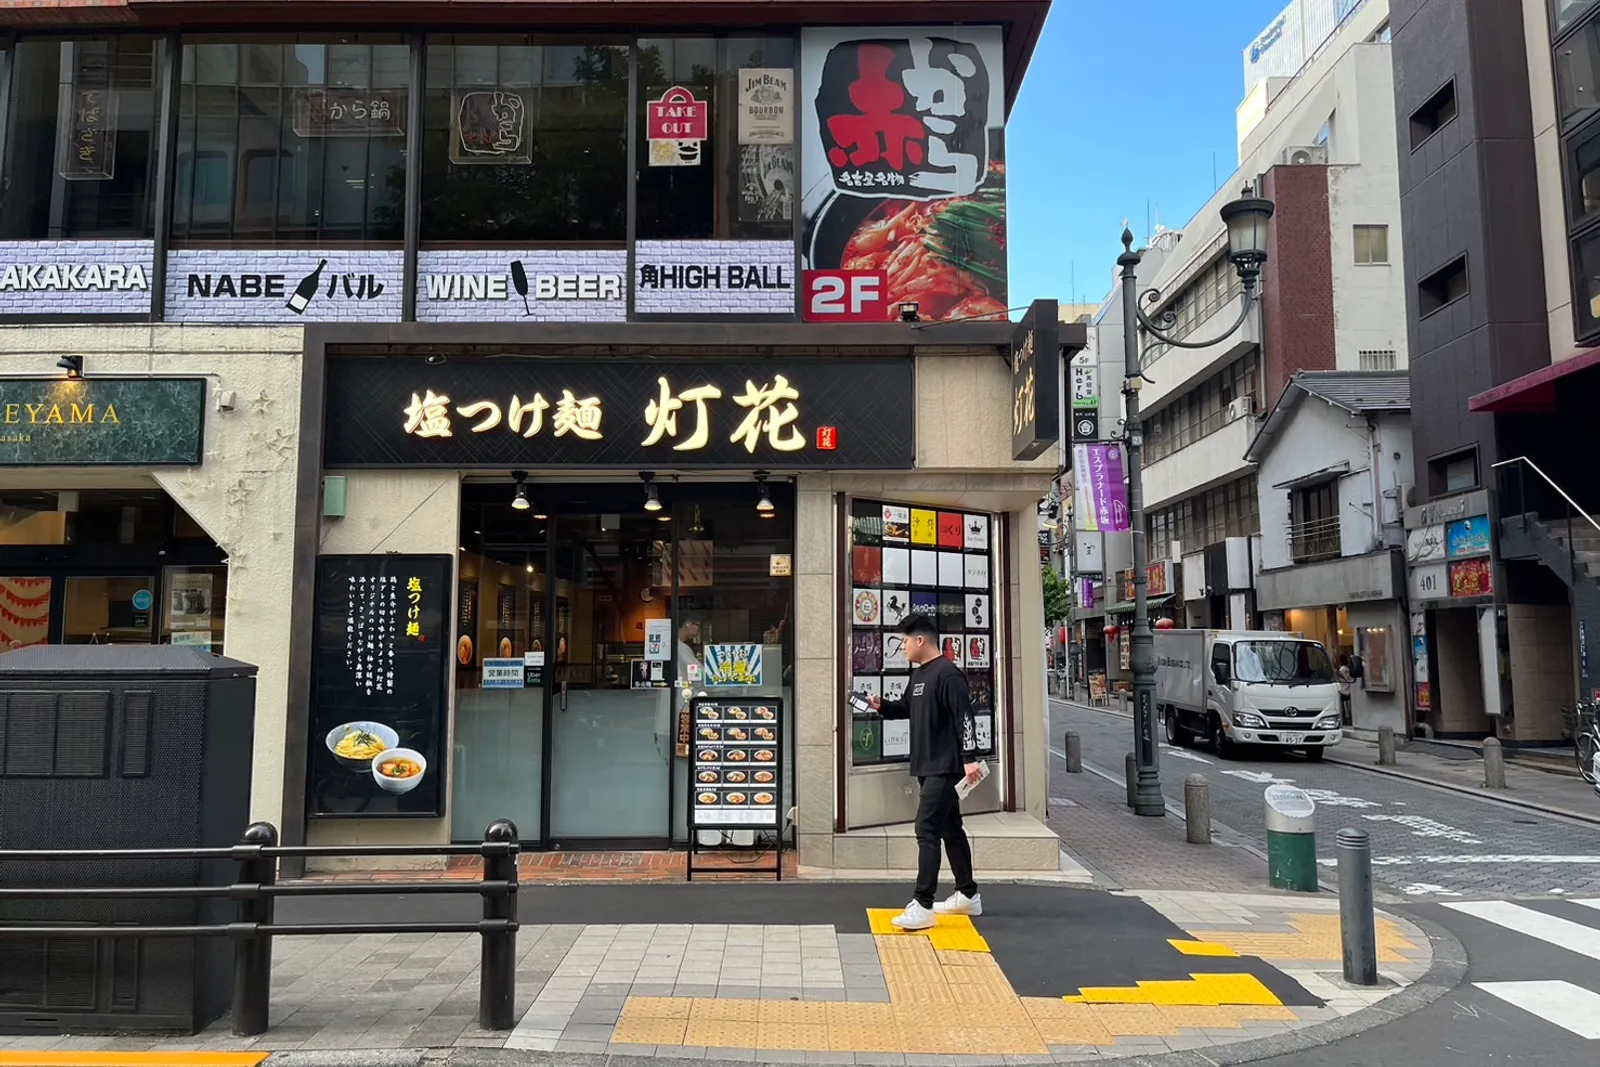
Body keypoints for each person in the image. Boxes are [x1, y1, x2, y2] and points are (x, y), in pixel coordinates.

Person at [869, 613, 983, 930]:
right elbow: (906, 708)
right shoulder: (919, 676)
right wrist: (883, 707)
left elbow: (965, 718)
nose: (903, 646)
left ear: (920, 640)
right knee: (950, 829)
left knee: (926, 829)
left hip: (945, 768)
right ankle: (967, 895)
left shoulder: (948, 675)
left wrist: (970, 757)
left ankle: (923, 903)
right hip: (926, 765)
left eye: (905, 641)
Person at [1337, 658, 1355, 726]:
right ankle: (1349, 718)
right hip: (1348, 688)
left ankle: (1347, 719)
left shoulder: (1341, 670)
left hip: (1342, 689)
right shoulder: (1348, 669)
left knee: (1344, 706)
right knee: (1348, 705)